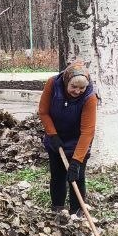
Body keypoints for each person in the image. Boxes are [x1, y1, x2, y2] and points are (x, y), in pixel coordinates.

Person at [37, 62, 98, 219]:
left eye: (81, 88)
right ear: (66, 81)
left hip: (79, 140)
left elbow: (87, 131)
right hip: (56, 137)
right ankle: (57, 209)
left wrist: (76, 161)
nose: (77, 91)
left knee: (77, 176)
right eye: (73, 87)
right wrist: (53, 135)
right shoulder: (53, 84)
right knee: (57, 175)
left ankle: (77, 211)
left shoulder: (90, 97)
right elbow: (43, 112)